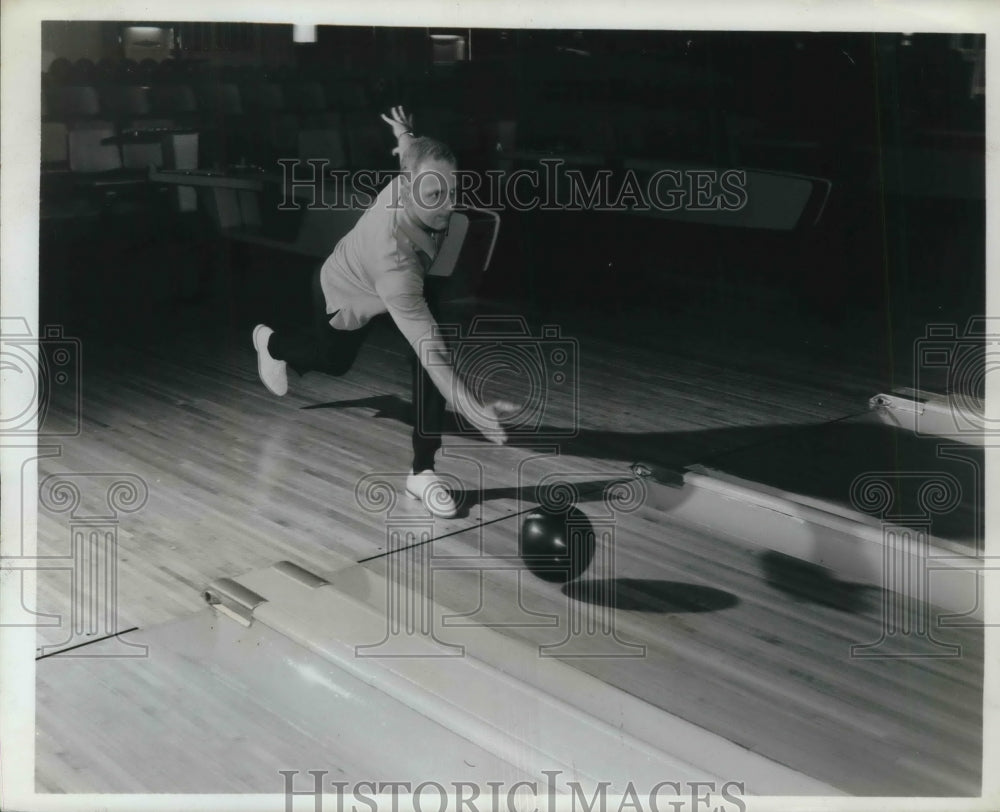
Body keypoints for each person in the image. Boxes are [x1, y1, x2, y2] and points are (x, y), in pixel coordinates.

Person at [253, 106, 510, 518]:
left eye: (452, 190)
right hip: (346, 291)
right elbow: (437, 357)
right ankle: (273, 343)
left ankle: (422, 471)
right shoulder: (394, 260)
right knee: (334, 362)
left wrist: (405, 132)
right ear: (407, 191)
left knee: (427, 357)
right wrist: (471, 405)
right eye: (434, 196)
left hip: (403, 279)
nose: (447, 205)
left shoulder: (417, 176)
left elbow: (410, 152)